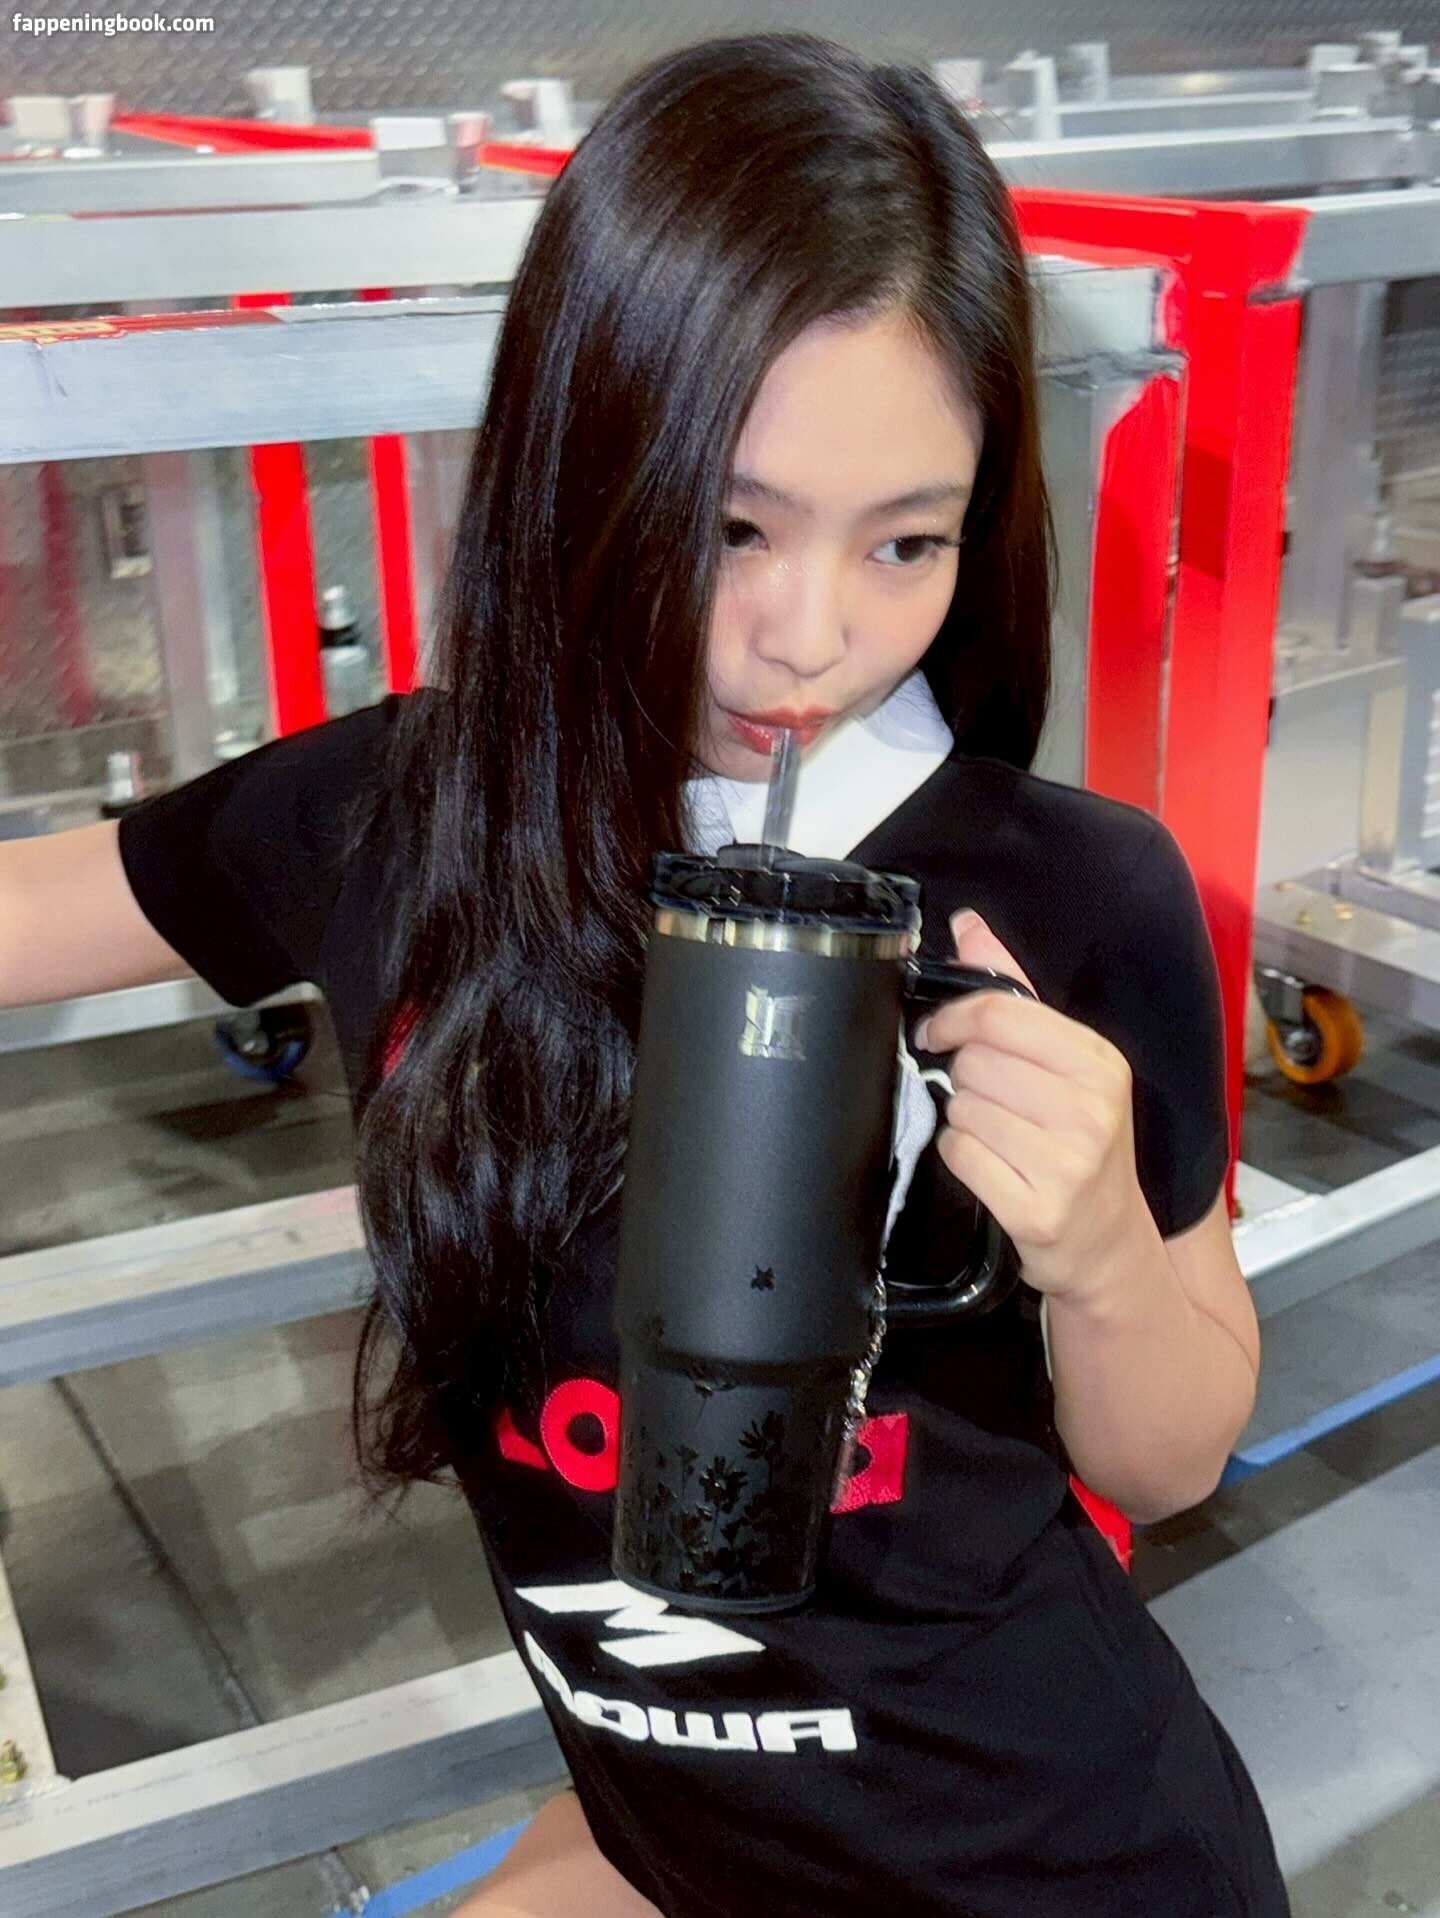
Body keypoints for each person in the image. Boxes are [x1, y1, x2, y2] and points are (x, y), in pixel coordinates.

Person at [0, 32, 1290, 1918]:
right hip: (683, 1840)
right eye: (730, 524)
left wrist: (1096, 1246)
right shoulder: (401, 818)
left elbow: (1169, 1461)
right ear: (588, 468)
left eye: (907, 540)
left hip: (1052, 1862)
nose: (811, 636)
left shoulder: (1074, 889)